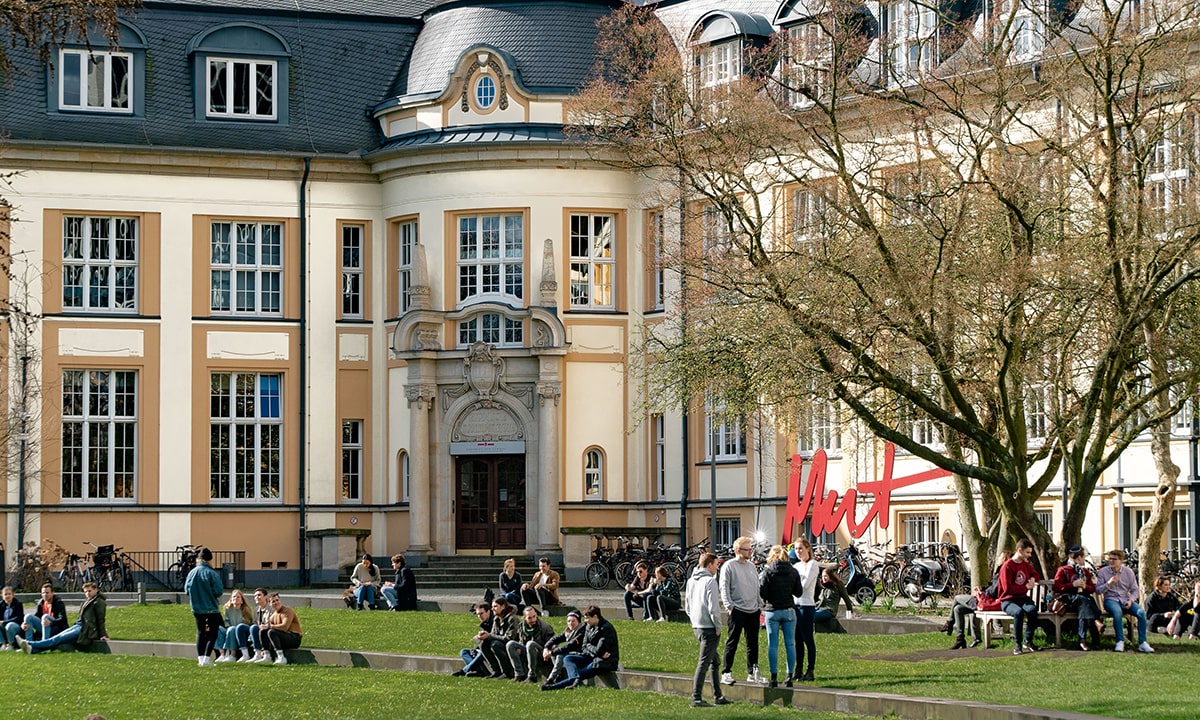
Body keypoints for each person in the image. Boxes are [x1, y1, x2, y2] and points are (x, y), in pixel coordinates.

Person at [541, 605, 619, 691]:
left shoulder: (606, 629)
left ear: (595, 617)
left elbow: (599, 650)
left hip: (603, 662)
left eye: (587, 618)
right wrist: (591, 648)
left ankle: (552, 687)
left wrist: (590, 647)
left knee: (580, 674)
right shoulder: (588, 626)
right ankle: (574, 680)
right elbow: (584, 646)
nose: (585, 621)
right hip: (590, 656)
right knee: (568, 658)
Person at [16, 581, 107, 654]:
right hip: (77, 626)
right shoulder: (88, 601)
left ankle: (29, 643)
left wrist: (103, 635)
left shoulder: (98, 602)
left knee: (57, 639)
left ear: (96, 590)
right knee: (57, 638)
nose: (87, 593)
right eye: (85, 591)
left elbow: (100, 619)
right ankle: (32, 650)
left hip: (84, 629)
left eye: (89, 591)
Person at [942, 551, 1009, 650]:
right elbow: (992, 587)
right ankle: (960, 639)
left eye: (1000, 557)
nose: (998, 558)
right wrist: (982, 588)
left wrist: (982, 593)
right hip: (986, 600)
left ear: (1004, 559)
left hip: (988, 602)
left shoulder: (1003, 572)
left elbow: (994, 591)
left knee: (957, 598)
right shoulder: (1000, 571)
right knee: (957, 609)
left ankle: (949, 623)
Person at [688, 553, 730, 707]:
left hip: (697, 626)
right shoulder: (710, 581)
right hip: (709, 627)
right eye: (716, 564)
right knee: (704, 662)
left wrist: (694, 620)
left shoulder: (691, 580)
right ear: (710, 564)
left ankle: (718, 695)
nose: (717, 567)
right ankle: (696, 697)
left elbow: (687, 605)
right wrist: (718, 626)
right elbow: (714, 608)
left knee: (715, 660)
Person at [719, 535, 762, 686]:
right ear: (738, 550)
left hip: (753, 610)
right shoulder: (729, 566)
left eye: (751, 548)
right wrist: (729, 606)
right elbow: (724, 587)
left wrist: (759, 604)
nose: (750, 551)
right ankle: (726, 672)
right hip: (737, 609)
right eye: (747, 549)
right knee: (733, 642)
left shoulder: (751, 566)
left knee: (753, 643)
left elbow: (756, 586)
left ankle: (752, 672)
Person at [759, 545, 801, 689]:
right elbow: (799, 592)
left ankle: (774, 677)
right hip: (789, 610)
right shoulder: (793, 571)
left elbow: (763, 592)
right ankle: (789, 676)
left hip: (772, 611)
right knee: (790, 644)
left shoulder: (768, 571)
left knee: (773, 645)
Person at [1096, 548, 1153, 653]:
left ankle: (1142, 643)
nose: (1111, 561)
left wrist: (1131, 600)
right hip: (1110, 599)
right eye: (1110, 559)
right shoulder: (1103, 572)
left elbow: (1135, 590)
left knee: (1141, 612)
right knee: (1117, 612)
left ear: (1121, 560)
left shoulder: (1128, 572)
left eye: (1114, 559)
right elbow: (1098, 590)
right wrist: (1108, 584)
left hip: (1125, 599)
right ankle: (1120, 641)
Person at [1052, 546, 1102, 650]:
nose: (1085, 560)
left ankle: (1082, 640)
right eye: (1084, 557)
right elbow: (1056, 587)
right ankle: (1096, 629)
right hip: (1068, 600)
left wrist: (1085, 587)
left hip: (1082, 602)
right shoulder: (1063, 570)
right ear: (1079, 558)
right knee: (1084, 601)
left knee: (1084, 603)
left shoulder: (1085, 571)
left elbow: (1092, 589)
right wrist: (1072, 585)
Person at [998, 539, 1042, 655]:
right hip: (1008, 600)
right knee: (1018, 613)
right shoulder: (1007, 567)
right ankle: (1017, 644)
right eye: (1027, 552)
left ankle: (1028, 640)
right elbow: (1007, 589)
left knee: (1032, 610)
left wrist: (1032, 579)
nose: (1029, 555)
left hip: (1022, 598)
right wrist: (1026, 587)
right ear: (1019, 550)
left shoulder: (1025, 565)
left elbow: (1035, 574)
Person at [184, 547, 225, 666]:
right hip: (211, 608)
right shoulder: (211, 573)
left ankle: (200, 658)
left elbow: (187, 590)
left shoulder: (192, 572)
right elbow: (218, 591)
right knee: (213, 633)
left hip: (197, 608)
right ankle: (207, 658)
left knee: (201, 632)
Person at [791, 538, 819, 682]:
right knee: (797, 640)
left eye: (801, 548)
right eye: (796, 549)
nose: (799, 551)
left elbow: (804, 585)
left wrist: (794, 587)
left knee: (808, 638)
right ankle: (798, 669)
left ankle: (810, 669)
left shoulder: (812, 564)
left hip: (806, 605)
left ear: (808, 548)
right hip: (795, 605)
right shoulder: (796, 566)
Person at [507, 604, 555, 682]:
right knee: (510, 644)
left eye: (534, 616)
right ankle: (519, 674)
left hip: (543, 652)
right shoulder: (521, 626)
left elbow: (551, 644)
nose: (533, 620)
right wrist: (520, 647)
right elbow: (521, 641)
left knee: (530, 644)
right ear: (524, 618)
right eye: (529, 618)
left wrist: (540, 649)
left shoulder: (545, 627)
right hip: (528, 649)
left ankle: (532, 676)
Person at [541, 610, 586, 687]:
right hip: (571, 653)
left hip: (582, 655)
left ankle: (551, 679)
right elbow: (555, 639)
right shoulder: (569, 631)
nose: (570, 623)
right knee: (555, 648)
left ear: (578, 621)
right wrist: (546, 648)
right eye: (568, 621)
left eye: (573, 621)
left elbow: (569, 646)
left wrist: (551, 652)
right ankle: (559, 675)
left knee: (559, 653)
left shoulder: (581, 631)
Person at [476, 596, 518, 678]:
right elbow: (493, 634)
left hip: (513, 646)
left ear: (503, 607)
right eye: (492, 607)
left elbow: (509, 638)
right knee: (483, 644)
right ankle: (496, 671)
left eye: (495, 606)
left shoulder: (512, 619)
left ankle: (506, 672)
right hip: (501, 643)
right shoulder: (496, 619)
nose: (492, 609)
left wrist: (490, 636)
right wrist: (484, 635)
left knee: (495, 644)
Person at [452, 602, 496, 677]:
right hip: (484, 646)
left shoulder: (494, 621)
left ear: (488, 612)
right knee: (464, 652)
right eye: (478, 614)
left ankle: (464, 670)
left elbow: (494, 637)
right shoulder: (484, 623)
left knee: (480, 653)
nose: (479, 616)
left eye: (481, 613)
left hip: (492, 648)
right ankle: (477, 670)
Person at [215, 588, 254, 662]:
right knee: (218, 628)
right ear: (231, 599)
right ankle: (222, 654)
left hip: (240, 632)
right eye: (234, 597)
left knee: (232, 629)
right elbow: (227, 622)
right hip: (229, 629)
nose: (236, 598)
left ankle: (233, 655)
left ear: (242, 600)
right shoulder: (228, 609)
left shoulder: (246, 610)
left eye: (238, 597)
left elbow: (248, 623)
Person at [264, 592, 303, 665]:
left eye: (277, 600)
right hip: (282, 638)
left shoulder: (287, 611)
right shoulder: (272, 616)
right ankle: (266, 655)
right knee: (263, 631)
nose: (276, 603)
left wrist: (270, 626)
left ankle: (281, 657)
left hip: (294, 638)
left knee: (271, 632)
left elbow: (285, 627)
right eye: (273, 601)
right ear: (269, 604)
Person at [248, 588, 275, 663]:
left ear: (266, 597)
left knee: (254, 628)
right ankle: (252, 653)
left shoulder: (271, 609)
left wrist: (266, 626)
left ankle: (261, 653)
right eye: (255, 596)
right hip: (258, 631)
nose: (257, 597)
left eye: (259, 595)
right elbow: (255, 622)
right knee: (243, 627)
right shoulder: (256, 610)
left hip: (268, 631)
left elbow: (274, 623)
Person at [1, 586, 24, 650]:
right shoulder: (1, 605)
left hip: (16, 627)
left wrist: (4, 622)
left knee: (9, 625)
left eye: (9, 594)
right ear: (2, 596)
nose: (7, 596)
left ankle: (11, 644)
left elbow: (18, 618)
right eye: (5, 594)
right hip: (4, 627)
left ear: (13, 595)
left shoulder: (18, 604)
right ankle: (3, 644)